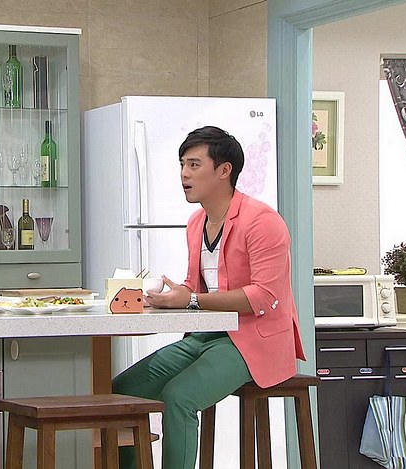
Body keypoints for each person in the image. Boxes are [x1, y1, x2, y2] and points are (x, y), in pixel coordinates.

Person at [112, 126, 305, 468]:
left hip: (255, 339)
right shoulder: (195, 222)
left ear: (224, 170)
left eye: (194, 165)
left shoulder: (263, 222)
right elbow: (195, 288)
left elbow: (263, 296)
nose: (184, 174)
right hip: (206, 336)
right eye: (182, 165)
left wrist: (190, 300)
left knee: (179, 397)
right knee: (123, 390)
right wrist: (166, 296)